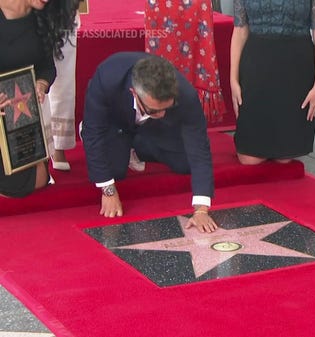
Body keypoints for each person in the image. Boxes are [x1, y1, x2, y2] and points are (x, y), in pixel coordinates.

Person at [81, 52, 218, 233]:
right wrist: (108, 190)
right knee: (114, 171)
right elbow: (93, 133)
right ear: (134, 93)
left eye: (166, 108)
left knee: (185, 162)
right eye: (154, 110)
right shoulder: (108, 77)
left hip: (152, 128)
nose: (161, 114)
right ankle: (121, 144)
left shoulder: (185, 94)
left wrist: (201, 209)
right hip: (114, 123)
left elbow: (199, 147)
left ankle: (137, 145)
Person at [230, 0, 315, 165]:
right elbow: (240, 30)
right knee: (250, 159)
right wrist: (233, 79)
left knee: (283, 158)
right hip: (256, 66)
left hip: (296, 69)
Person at [0, 0, 79, 197]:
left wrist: (41, 85)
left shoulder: (43, 18)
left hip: (19, 117)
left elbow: (47, 67)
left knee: (37, 180)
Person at [48, 0, 83, 171]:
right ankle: (31, 146)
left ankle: (58, 145)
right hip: (23, 10)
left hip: (62, 10)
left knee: (63, 79)